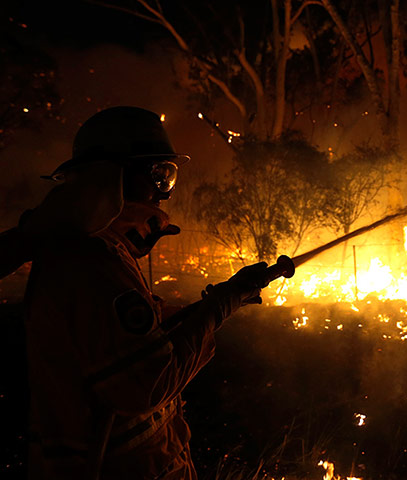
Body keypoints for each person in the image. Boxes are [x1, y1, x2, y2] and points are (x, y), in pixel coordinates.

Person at [19, 106, 269, 479]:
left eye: (167, 176)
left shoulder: (92, 250)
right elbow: (148, 386)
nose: (162, 194)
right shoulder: (91, 262)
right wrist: (215, 312)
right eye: (157, 174)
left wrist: (215, 302)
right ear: (112, 178)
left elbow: (123, 341)